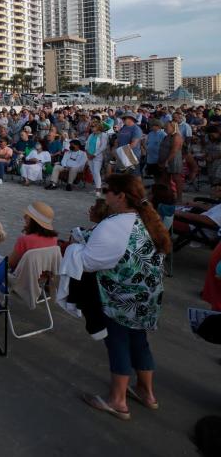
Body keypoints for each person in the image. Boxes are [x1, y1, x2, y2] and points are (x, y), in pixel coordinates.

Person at [66, 174, 169, 420]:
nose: (104, 195)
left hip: (120, 297)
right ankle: (147, 392)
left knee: (118, 342)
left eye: (107, 191)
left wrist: (73, 249)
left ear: (120, 196)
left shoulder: (115, 224)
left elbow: (90, 261)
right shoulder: (148, 219)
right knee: (139, 340)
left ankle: (118, 400)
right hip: (147, 295)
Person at [8, 202, 58, 269]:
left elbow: (11, 263)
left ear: (34, 221)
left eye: (28, 215)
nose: (24, 216)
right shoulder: (54, 239)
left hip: (24, 276)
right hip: (44, 276)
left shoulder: (24, 240)